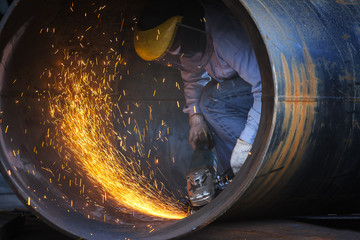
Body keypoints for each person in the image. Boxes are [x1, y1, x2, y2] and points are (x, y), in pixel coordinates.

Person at [133, 0, 261, 206]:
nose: (175, 53)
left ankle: (246, 173)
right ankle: (227, 180)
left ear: (184, 26)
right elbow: (193, 76)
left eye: (173, 47)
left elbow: (265, 87)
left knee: (211, 101)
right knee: (204, 108)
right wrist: (196, 118)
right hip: (243, 96)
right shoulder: (190, 40)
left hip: (272, 92)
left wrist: (247, 143)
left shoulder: (226, 35)